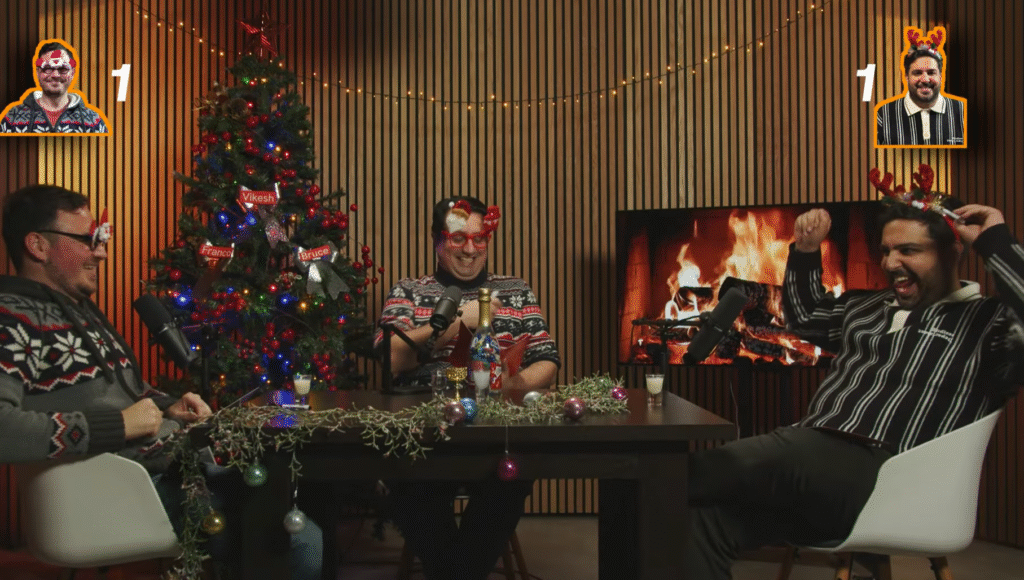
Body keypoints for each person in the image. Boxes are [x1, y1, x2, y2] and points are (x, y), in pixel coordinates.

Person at [683, 185, 1024, 578]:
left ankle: (653, 482)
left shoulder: (990, 325)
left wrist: (995, 241)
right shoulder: (867, 307)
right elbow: (805, 318)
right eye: (886, 250)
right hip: (816, 476)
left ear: (952, 253)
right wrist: (806, 250)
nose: (891, 263)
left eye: (908, 250)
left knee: (685, 477)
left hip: (892, 477)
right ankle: (657, 488)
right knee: (702, 517)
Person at [0, 185, 321, 579]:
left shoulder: (81, 312)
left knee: (299, 497)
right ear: (38, 245)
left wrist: (169, 405)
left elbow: (126, 393)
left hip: (169, 472)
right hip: (125, 493)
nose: (100, 252)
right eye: (87, 240)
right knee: (298, 539)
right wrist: (119, 425)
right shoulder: (11, 318)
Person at [375, 196, 560, 579]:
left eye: (480, 238)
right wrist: (457, 321)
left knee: (510, 479)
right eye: (458, 238)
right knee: (410, 485)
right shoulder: (408, 291)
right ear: (436, 240)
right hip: (423, 435)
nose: (470, 249)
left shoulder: (516, 290)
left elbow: (548, 360)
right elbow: (388, 359)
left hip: (497, 434)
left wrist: (516, 382)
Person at [0, 40, 109, 134]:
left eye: (63, 69)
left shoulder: (93, 121)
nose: (55, 75)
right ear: (38, 72)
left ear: (72, 73)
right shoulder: (12, 118)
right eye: (48, 68)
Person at [876, 35, 966, 146]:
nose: (925, 79)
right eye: (917, 73)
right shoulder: (884, 115)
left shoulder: (963, 112)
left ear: (941, 76)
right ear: (906, 77)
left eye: (931, 72)